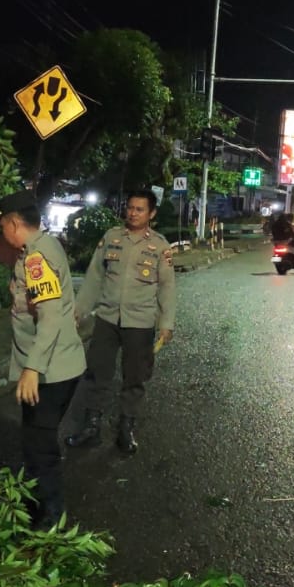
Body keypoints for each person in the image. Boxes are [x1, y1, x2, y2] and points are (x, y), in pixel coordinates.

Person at [0, 191, 85, 529]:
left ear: (15, 223)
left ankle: (51, 519)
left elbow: (48, 317)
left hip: (51, 371)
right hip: (60, 365)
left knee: (38, 447)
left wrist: (32, 369)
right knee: (37, 440)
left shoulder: (36, 259)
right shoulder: (34, 250)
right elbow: (1, 251)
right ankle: (44, 507)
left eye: (3, 225)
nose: (1, 231)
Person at [65, 189, 176, 455]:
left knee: (134, 378)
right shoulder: (111, 238)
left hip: (140, 322)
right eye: (130, 208)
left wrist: (166, 322)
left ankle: (126, 429)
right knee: (96, 373)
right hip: (107, 318)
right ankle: (92, 427)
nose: (133, 213)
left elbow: (167, 286)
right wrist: (79, 310)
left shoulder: (160, 246)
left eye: (139, 209)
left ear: (151, 214)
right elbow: (94, 277)